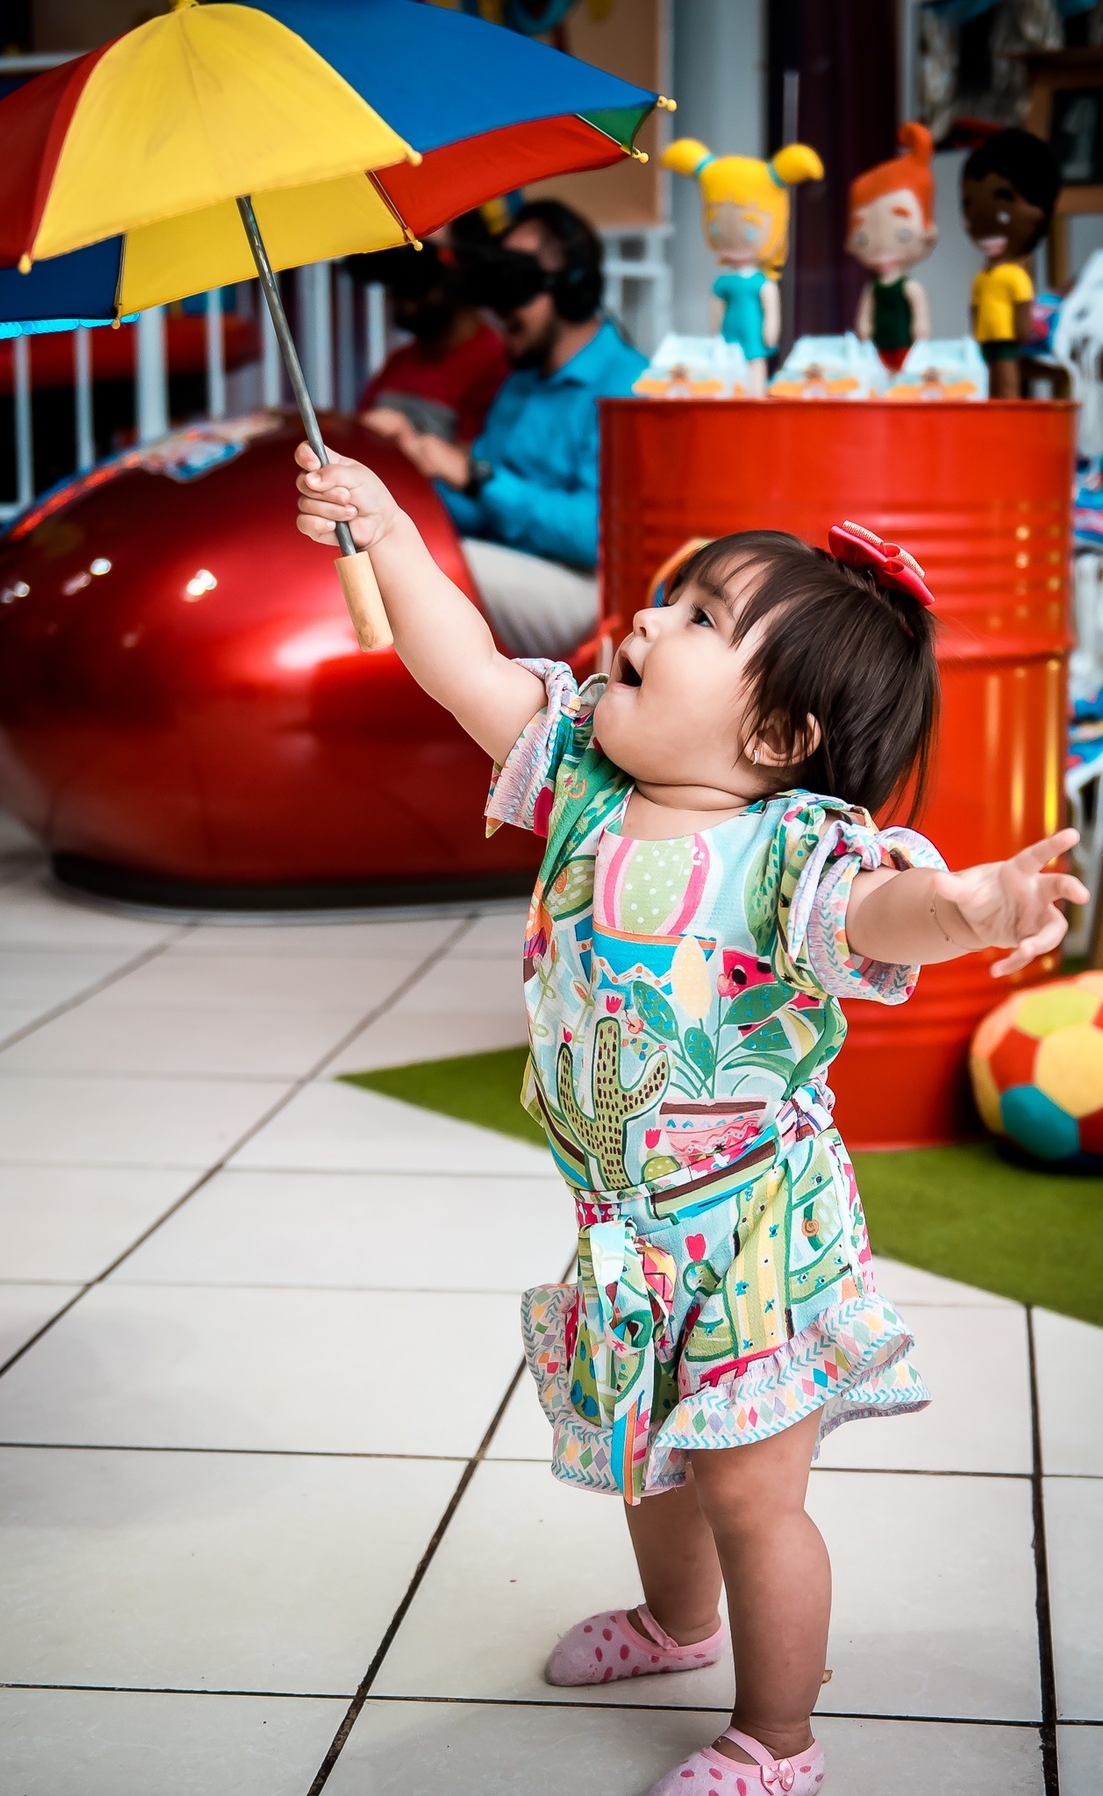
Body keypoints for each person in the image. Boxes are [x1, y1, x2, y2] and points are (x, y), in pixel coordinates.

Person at [296, 448, 1088, 1795]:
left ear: (775, 741)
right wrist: (384, 531)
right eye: (667, 600)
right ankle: (676, 1625)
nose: (645, 621)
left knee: (747, 1493)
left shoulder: (792, 857)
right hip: (627, 1230)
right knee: (647, 1460)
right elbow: (462, 663)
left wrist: (969, 911)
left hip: (759, 1239)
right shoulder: (578, 788)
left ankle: (777, 1741)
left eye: (698, 617)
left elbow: (880, 917)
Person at [388, 199, 648, 660]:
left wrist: (476, 476)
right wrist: (399, 492)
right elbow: (484, 511)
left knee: (407, 571)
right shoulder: (521, 380)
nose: (500, 311)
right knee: (387, 545)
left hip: (586, 588)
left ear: (571, 290)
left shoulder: (627, 385)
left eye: (516, 286)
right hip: (508, 558)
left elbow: (598, 536)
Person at [661, 139, 823, 395]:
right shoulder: (724, 283)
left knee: (755, 363)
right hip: (730, 331)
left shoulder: (762, 282)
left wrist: (771, 330)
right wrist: (714, 332)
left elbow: (770, 308)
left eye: (749, 229)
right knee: (727, 365)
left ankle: (756, 394)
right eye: (715, 227)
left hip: (752, 331)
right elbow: (716, 309)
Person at [349, 224, 509, 446]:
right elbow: (357, 432)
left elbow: (474, 466)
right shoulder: (400, 360)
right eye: (397, 289)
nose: (406, 307)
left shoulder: (495, 365)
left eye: (416, 287)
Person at [961, 127, 1061, 400]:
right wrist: (975, 334)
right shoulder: (981, 278)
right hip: (986, 339)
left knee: (1006, 381)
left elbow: (1022, 308)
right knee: (986, 382)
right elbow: (975, 308)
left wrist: (1022, 333)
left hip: (1006, 339)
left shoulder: (1015, 277)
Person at [847, 122, 939, 372]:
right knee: (879, 373)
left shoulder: (908, 286)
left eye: (901, 232)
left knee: (904, 374)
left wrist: (921, 328)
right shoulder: (873, 286)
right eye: (863, 238)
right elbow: (866, 311)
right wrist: (863, 327)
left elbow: (919, 311)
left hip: (903, 342)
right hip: (880, 342)